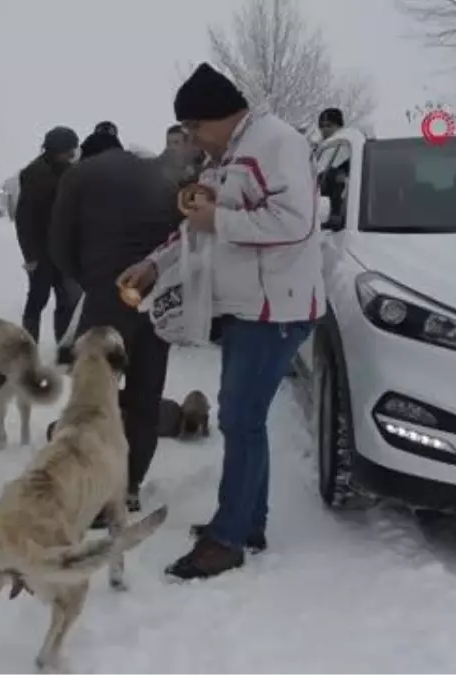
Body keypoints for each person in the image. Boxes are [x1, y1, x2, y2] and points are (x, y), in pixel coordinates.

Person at [117, 62, 325, 581]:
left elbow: (296, 221)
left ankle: (228, 538)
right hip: (245, 309)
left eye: (192, 129)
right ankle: (247, 523)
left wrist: (220, 219)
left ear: (214, 117)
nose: (191, 140)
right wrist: (152, 263)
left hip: (275, 309)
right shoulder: (229, 154)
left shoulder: (277, 142)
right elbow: (196, 228)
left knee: (240, 420)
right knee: (244, 420)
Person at [50, 130, 180, 519]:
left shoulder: (79, 176)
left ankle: (90, 487)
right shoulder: (160, 174)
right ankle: (130, 485)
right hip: (155, 299)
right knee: (146, 394)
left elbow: (59, 243)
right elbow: (178, 235)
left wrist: (90, 280)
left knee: (92, 399)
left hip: (107, 298)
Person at [15, 126, 81, 344]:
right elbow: (24, 220)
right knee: (37, 300)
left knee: (68, 301)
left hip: (63, 251)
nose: (72, 155)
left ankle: (63, 347)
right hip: (41, 252)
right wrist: (31, 256)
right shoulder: (33, 174)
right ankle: (28, 347)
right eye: (68, 151)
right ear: (55, 150)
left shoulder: (70, 171)